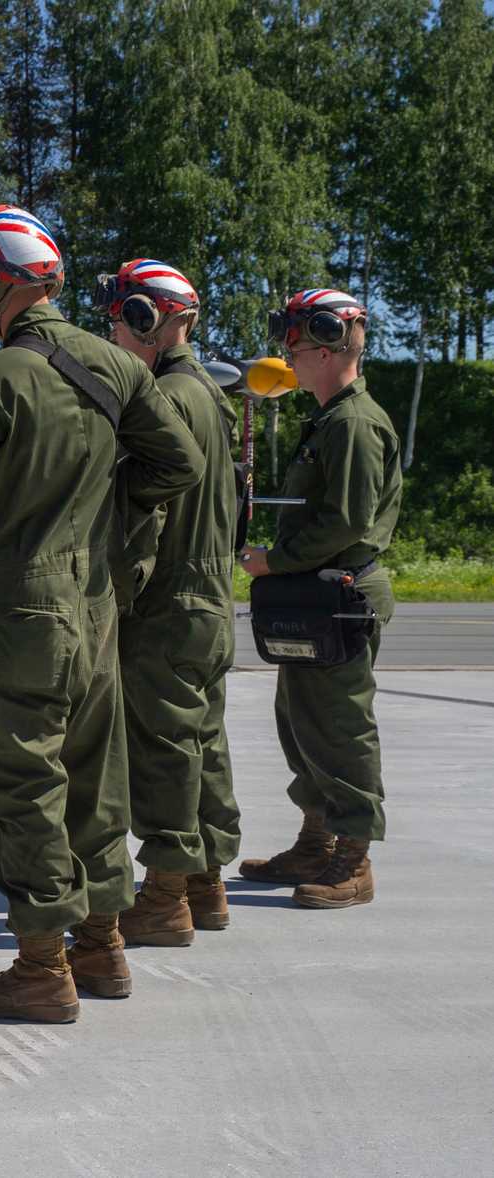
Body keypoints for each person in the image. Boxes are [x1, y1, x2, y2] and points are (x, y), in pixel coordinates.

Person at [0, 206, 202, 1022]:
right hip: (97, 603)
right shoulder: (116, 366)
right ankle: (102, 947)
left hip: (19, 611)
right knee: (91, 771)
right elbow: (175, 463)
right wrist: (108, 512)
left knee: (20, 780)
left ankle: (42, 965)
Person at [237, 290, 400, 909]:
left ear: (330, 346)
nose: (288, 356)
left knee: (340, 730)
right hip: (316, 598)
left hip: (340, 598)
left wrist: (273, 561)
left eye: (297, 344)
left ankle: (353, 862)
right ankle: (315, 842)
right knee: (302, 725)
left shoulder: (354, 424)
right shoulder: (331, 418)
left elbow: (348, 522)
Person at [98, 260, 242, 943]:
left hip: (169, 598)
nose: (115, 330)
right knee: (201, 741)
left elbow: (142, 514)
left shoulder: (165, 399)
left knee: (162, 750)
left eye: (123, 316)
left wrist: (113, 591)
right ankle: (206, 884)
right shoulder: (210, 394)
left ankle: (161, 898)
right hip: (211, 593)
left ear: (146, 318)